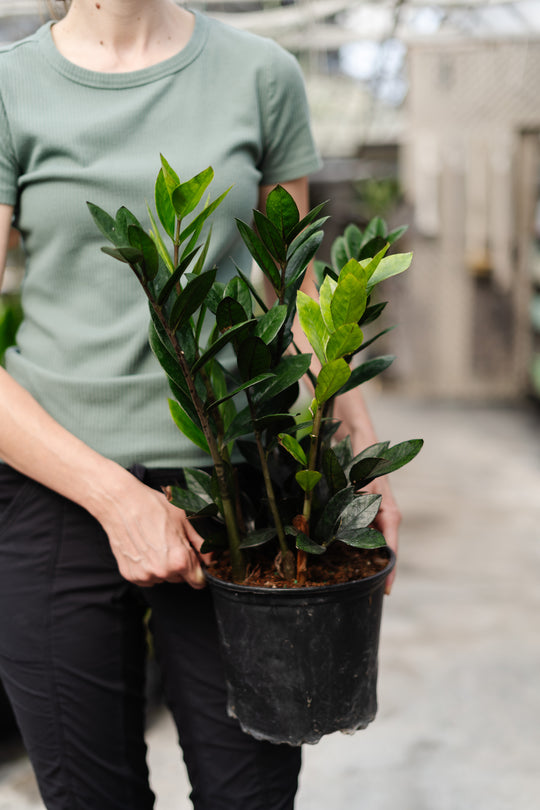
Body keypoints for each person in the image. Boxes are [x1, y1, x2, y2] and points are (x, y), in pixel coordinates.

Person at [0, 1, 401, 808]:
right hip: (55, 488)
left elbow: (292, 296)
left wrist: (358, 460)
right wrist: (117, 498)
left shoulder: (260, 74)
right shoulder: (11, 87)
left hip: (238, 496)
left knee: (250, 795)